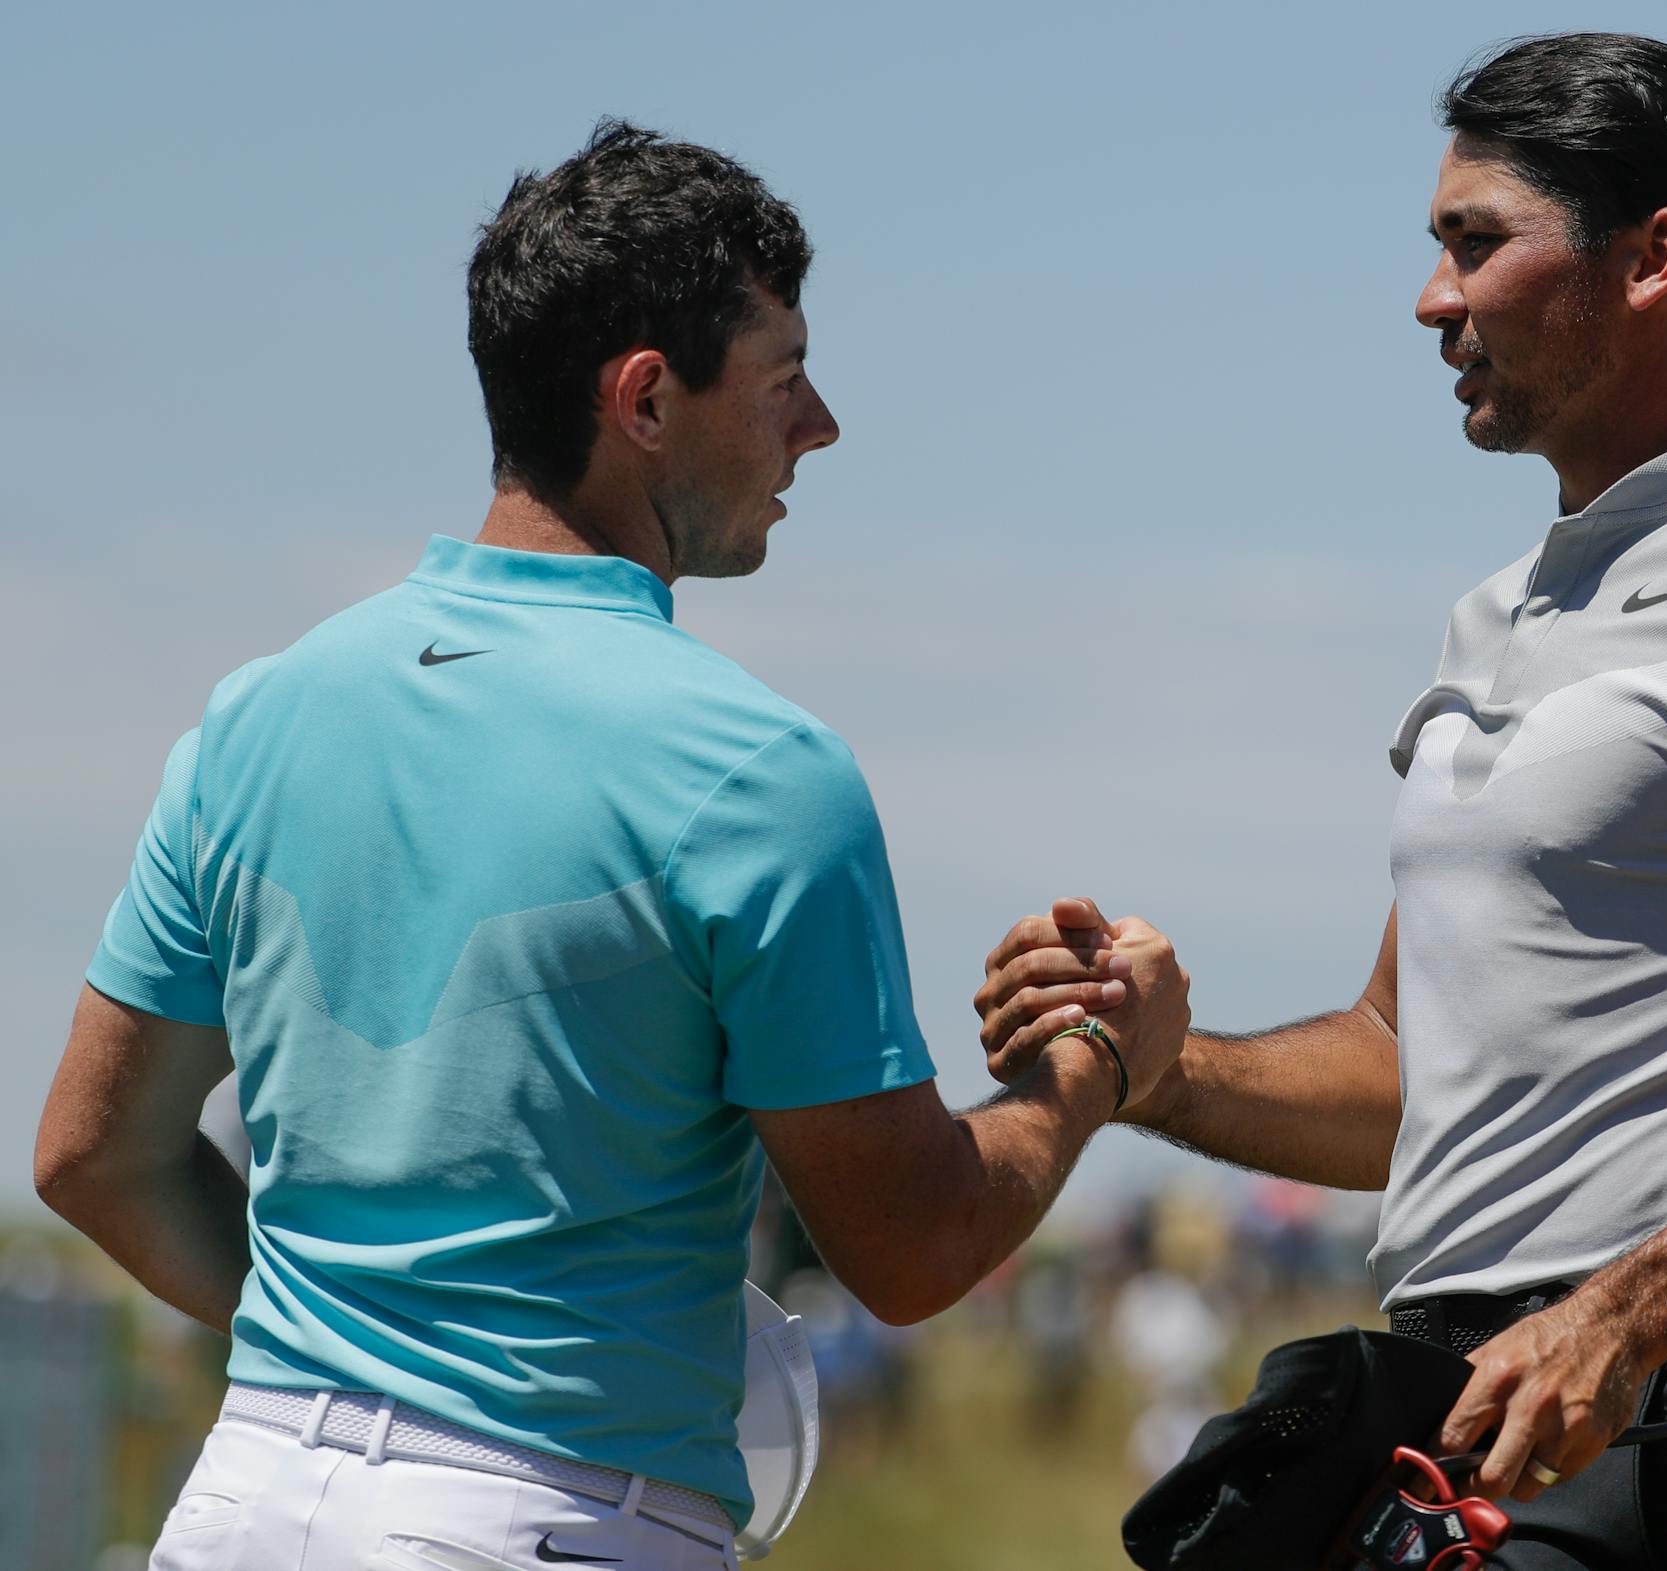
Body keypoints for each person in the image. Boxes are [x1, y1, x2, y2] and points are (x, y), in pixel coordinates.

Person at [33, 120, 1189, 1571]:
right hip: (543, 1518)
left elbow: (92, 1156)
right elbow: (911, 1251)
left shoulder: (252, 717)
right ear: (645, 399)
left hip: (243, 1495)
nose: (818, 423)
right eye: (783, 378)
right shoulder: (757, 770)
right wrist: (1098, 1065)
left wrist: (350, 1354)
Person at [977, 33, 1667, 1569]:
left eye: (1475, 243)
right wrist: (1155, 1068)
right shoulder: (1497, 611)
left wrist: (1625, 1319)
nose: (1432, 297)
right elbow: (1409, 1067)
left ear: (1657, 259)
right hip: (1470, 1412)